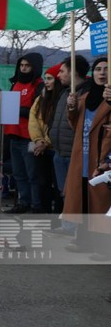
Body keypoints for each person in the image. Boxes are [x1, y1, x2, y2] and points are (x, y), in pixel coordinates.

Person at [61, 58, 111, 261]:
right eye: (98, 69)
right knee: (82, 200)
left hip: (102, 159)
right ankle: (83, 240)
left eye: (107, 69)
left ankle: (104, 246)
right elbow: (75, 125)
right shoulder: (85, 98)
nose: (102, 73)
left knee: (101, 202)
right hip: (82, 158)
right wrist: (71, 108)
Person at [47, 55, 90, 235]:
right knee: (63, 191)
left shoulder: (86, 94)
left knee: (73, 191)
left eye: (63, 71)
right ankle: (68, 225)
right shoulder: (65, 93)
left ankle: (76, 229)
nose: (59, 75)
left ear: (74, 72)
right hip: (59, 150)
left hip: (73, 151)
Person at [4, 53, 43, 214]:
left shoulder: (39, 85)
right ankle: (23, 202)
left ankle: (36, 204)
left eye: (27, 66)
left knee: (33, 173)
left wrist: (16, 109)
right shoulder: (15, 84)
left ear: (34, 67)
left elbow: (38, 111)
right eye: (21, 65)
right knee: (19, 173)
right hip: (13, 135)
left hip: (30, 137)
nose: (24, 68)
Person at [28, 64, 63, 213]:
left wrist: (46, 142)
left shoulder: (62, 98)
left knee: (58, 184)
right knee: (42, 182)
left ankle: (58, 215)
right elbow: (33, 118)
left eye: (49, 79)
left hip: (56, 149)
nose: (46, 82)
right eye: (45, 79)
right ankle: (45, 212)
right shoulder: (41, 98)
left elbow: (59, 124)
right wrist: (38, 140)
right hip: (41, 147)